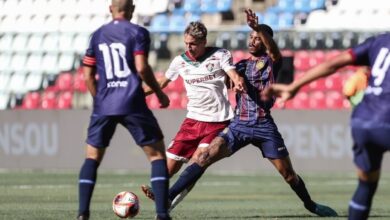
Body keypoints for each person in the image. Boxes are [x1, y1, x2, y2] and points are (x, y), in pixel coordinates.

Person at [141, 9, 338, 217]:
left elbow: (273, 51)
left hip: (264, 126)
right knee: (204, 156)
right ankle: (168, 196)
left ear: (265, 40)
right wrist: (231, 79)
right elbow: (228, 75)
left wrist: (258, 28)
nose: (252, 41)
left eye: (257, 38)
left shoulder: (272, 62)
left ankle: (310, 204)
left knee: (288, 175)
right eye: (251, 37)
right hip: (238, 125)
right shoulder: (241, 65)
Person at [263, 32, 390, 220]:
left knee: (366, 185)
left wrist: (294, 86)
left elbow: (332, 64)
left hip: (364, 121)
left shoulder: (380, 40)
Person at [77, 0, 171, 219]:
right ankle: (162, 215)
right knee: (157, 155)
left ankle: (82, 213)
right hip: (132, 101)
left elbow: (88, 75)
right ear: (132, 10)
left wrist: (100, 100)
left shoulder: (97, 35)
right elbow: (141, 67)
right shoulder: (138, 32)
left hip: (105, 103)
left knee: (92, 157)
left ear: (111, 9)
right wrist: (159, 93)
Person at [141, 21, 246, 210]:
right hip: (192, 121)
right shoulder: (180, 61)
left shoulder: (220, 55)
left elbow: (232, 73)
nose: (189, 47)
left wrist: (237, 81)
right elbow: (162, 82)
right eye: (186, 43)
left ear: (204, 41)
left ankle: (166, 205)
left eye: (193, 44)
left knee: (198, 162)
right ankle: (162, 196)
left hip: (217, 122)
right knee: (168, 168)